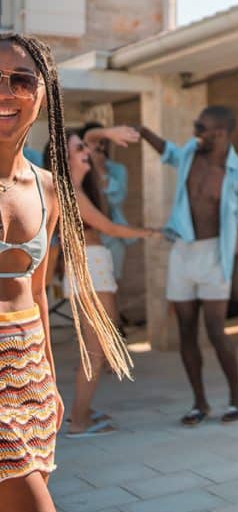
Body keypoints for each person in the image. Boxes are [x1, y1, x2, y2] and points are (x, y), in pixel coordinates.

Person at [0, 32, 132, 512]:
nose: (7, 91)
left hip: (30, 375)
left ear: (43, 91)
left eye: (21, 79)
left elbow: (36, 292)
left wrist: (51, 382)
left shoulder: (50, 189)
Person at [135, 107, 238, 425]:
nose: (195, 132)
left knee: (217, 331)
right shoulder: (191, 152)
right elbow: (170, 153)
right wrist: (145, 133)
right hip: (182, 252)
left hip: (214, 256)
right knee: (186, 330)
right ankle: (199, 404)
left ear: (220, 133)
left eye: (200, 127)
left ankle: (237, 399)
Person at [47, 127, 157, 437]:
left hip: (91, 266)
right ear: (64, 157)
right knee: (96, 351)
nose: (88, 150)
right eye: (79, 147)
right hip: (90, 267)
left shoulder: (76, 187)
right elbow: (108, 226)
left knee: (96, 349)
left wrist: (105, 132)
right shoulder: (70, 192)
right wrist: (151, 233)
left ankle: (82, 411)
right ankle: (79, 421)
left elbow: (93, 139)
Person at [81, 122, 140, 296]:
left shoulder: (117, 170)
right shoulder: (77, 167)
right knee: (86, 290)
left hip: (112, 237)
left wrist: (101, 171)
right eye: (95, 143)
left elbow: (117, 199)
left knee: (111, 285)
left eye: (103, 143)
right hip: (85, 236)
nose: (99, 147)